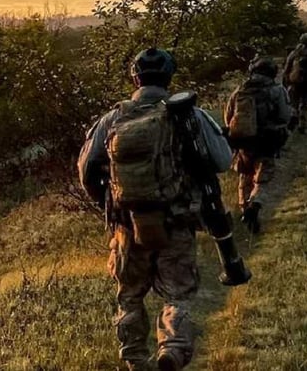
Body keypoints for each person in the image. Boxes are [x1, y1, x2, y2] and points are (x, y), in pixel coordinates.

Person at [77, 48, 232, 371]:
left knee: (129, 296)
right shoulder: (188, 115)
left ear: (135, 78)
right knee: (178, 294)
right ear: (169, 77)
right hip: (176, 222)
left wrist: (111, 205)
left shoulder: (112, 119)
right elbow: (222, 160)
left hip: (127, 226)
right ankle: (172, 349)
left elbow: (86, 170)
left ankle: (135, 358)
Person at [224, 56, 291, 234]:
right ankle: (255, 204)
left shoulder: (240, 90)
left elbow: (228, 117)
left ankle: (245, 209)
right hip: (267, 140)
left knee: (244, 176)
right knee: (263, 177)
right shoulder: (277, 90)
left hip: (243, 142)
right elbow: (284, 116)